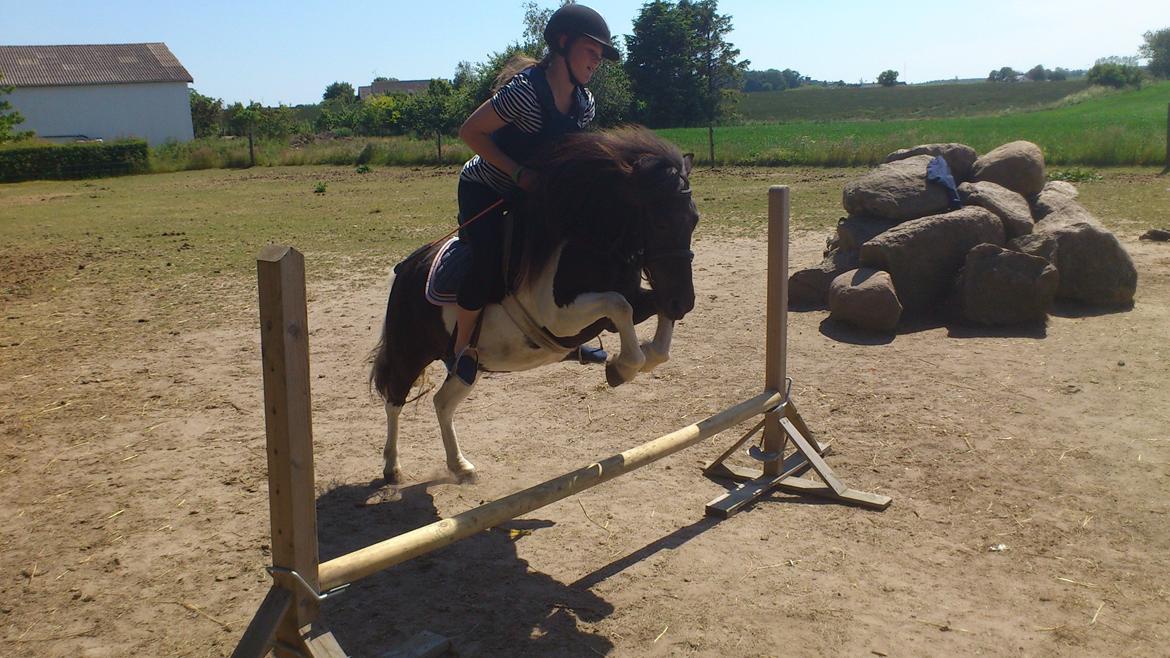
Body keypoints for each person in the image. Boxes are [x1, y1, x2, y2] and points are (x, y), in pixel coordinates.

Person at [450, 3, 621, 385]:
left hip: (536, 192)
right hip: (487, 187)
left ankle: (572, 337)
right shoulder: (525, 92)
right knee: (487, 263)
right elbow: (470, 132)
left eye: (600, 55)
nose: (597, 61)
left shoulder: (584, 103)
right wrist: (517, 172)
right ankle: (461, 350)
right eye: (591, 51)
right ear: (563, 42)